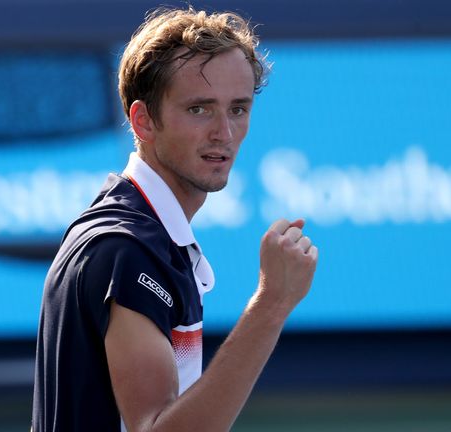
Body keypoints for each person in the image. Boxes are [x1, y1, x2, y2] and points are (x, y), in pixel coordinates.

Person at [32, 6, 318, 432]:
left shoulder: (134, 228)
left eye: (238, 109)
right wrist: (272, 303)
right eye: (199, 110)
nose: (224, 132)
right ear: (143, 121)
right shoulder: (128, 250)